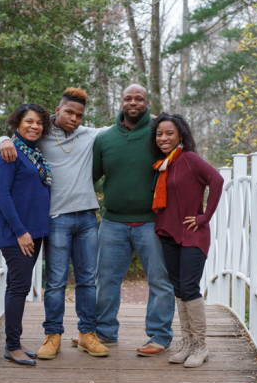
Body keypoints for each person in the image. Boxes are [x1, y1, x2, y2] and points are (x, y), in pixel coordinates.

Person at [0, 88, 108, 359]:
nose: (74, 118)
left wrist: (149, 115)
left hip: (79, 219)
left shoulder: (83, 135)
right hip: (49, 222)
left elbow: (118, 127)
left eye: (79, 115)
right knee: (53, 282)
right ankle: (48, 336)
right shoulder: (33, 140)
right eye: (69, 112)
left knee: (87, 280)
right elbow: (4, 180)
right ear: (57, 111)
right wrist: (2, 139)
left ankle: (87, 334)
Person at [92, 84, 175, 356]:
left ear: (147, 102)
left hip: (152, 221)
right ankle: (105, 333)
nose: (133, 102)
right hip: (113, 222)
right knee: (105, 280)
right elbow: (90, 176)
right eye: (128, 98)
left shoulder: (157, 134)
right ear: (121, 102)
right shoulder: (105, 139)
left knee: (160, 281)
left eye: (139, 98)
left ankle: (159, 336)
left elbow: (180, 157)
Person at [148, 113, 222, 367]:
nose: (163, 138)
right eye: (159, 134)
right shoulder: (164, 163)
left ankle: (201, 345)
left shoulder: (189, 159)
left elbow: (217, 180)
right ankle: (187, 342)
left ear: (181, 134)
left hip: (192, 234)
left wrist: (204, 217)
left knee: (189, 287)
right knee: (179, 289)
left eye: (169, 133)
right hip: (169, 233)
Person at [0, 103, 52, 366]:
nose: (34, 126)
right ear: (17, 123)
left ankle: (15, 340)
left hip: (34, 231)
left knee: (22, 285)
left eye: (39, 122)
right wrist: (20, 232)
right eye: (29, 121)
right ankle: (11, 345)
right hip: (16, 233)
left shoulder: (33, 153)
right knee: (18, 287)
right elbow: (2, 196)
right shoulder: (10, 152)